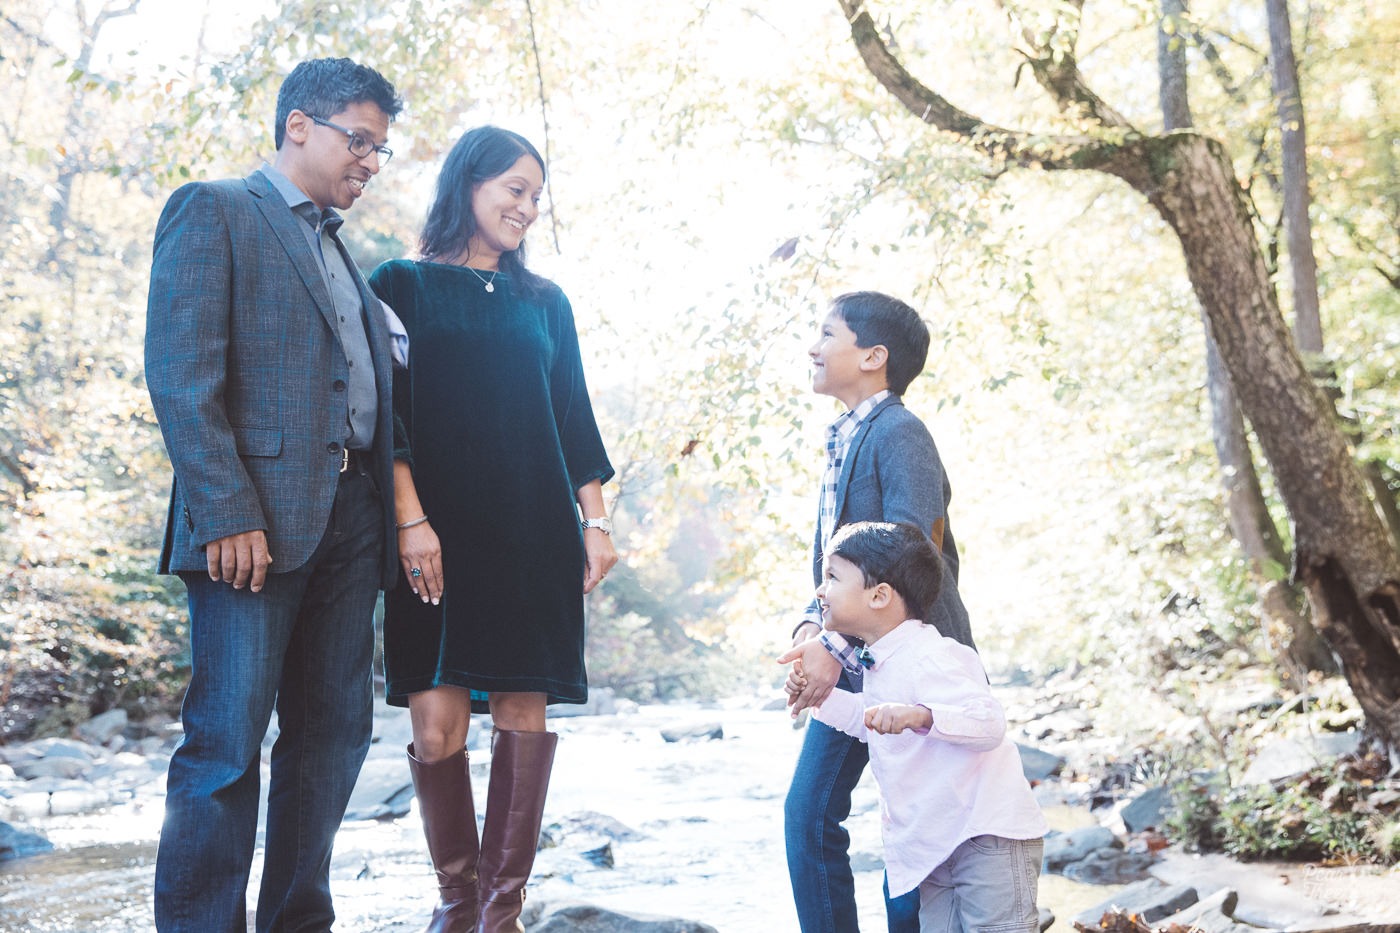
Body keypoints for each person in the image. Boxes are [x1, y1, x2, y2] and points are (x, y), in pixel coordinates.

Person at [144, 58, 403, 931]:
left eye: (381, 148)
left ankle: (297, 920)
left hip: (351, 519)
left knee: (332, 741)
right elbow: (183, 376)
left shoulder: (340, 249)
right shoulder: (213, 209)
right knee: (225, 745)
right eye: (357, 140)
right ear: (298, 124)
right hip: (247, 524)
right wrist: (225, 509)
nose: (369, 161)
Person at [368, 125, 616, 933]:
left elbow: (573, 417)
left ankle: (497, 915)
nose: (527, 208)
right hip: (430, 537)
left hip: (532, 535)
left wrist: (596, 522)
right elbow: (383, 420)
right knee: (436, 728)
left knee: (522, 712)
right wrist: (410, 518)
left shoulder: (546, 302)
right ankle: (455, 900)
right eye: (514, 188)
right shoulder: (398, 284)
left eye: (536, 196)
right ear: (467, 184)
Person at [782, 291, 976, 933]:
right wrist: (812, 631)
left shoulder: (900, 432)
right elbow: (834, 566)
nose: (812, 347)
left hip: (910, 660)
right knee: (809, 815)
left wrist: (831, 651)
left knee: (912, 823)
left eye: (826, 334)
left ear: (873, 356)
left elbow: (910, 554)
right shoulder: (846, 437)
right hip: (857, 650)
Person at [780, 521, 1046, 932]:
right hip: (935, 845)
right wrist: (820, 697)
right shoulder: (879, 659)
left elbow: (989, 723)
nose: (820, 591)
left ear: (880, 595)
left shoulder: (933, 655)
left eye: (832, 577)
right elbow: (866, 720)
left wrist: (920, 715)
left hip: (985, 833)